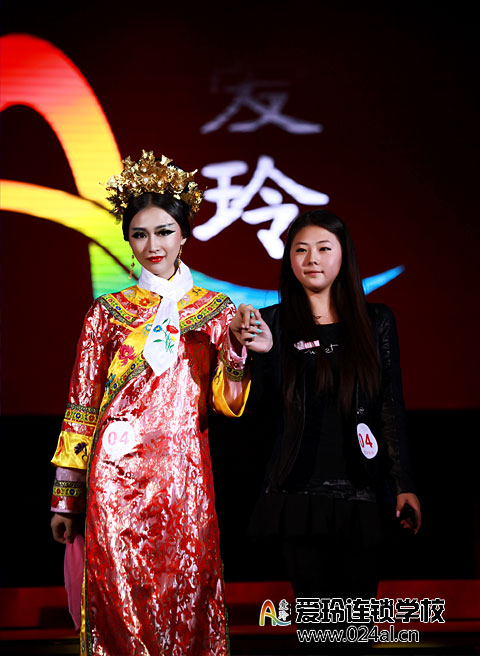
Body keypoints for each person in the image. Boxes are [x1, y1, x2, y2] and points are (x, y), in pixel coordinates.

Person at [50, 150, 268, 656]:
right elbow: (81, 406)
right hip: (116, 477)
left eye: (165, 232)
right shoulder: (107, 312)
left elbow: (228, 403)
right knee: (120, 598)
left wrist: (237, 350)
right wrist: (66, 498)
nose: (153, 246)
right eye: (140, 234)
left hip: (184, 475)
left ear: (184, 236)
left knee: (187, 594)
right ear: (128, 240)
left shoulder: (216, 310)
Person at [231, 209, 421, 650]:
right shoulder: (272, 322)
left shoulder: (376, 320)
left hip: (362, 493)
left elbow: (389, 406)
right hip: (299, 495)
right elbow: (262, 410)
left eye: (323, 248)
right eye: (300, 250)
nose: (311, 259)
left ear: (343, 256)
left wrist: (403, 484)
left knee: (355, 631)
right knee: (317, 632)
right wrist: (260, 354)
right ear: (289, 260)